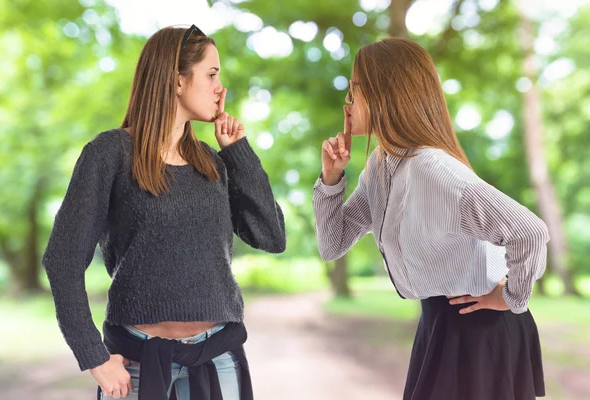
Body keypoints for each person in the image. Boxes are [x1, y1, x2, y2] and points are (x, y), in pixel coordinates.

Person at [42, 24, 286, 400]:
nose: (221, 87)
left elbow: (271, 235)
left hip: (218, 356)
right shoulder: (110, 154)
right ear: (176, 81)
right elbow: (62, 259)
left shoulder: (213, 164)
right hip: (136, 364)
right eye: (211, 74)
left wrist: (238, 152)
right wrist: (93, 356)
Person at [313, 37, 547, 400]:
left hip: (479, 328)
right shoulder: (380, 166)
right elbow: (333, 244)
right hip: (439, 324)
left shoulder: (433, 169)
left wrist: (512, 298)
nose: (347, 102)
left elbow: (529, 232)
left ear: (383, 95)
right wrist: (331, 179)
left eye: (354, 90)